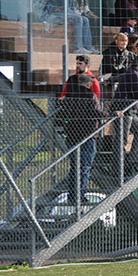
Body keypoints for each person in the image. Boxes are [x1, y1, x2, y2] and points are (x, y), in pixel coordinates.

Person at [57, 55, 102, 197]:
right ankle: (79, 195)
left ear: (87, 65)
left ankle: (74, 195)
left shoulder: (90, 81)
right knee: (83, 166)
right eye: (77, 63)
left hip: (74, 129)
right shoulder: (74, 80)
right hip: (86, 130)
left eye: (80, 63)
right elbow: (96, 107)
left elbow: (96, 97)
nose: (78, 65)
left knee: (76, 166)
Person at [111, 53, 138, 165]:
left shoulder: (133, 74)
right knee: (121, 139)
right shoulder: (133, 75)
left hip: (129, 111)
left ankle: (134, 159)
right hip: (124, 110)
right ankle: (119, 166)